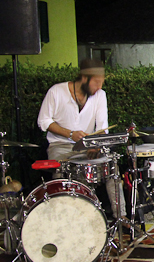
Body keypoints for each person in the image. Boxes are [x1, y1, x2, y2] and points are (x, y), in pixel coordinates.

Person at [37, 58, 126, 220]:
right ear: (84, 78)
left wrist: (96, 146)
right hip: (61, 145)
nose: (100, 87)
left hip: (87, 146)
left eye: (102, 82)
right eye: (96, 82)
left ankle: (121, 217)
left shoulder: (100, 95)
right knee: (60, 170)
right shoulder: (56, 91)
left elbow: (103, 127)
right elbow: (43, 121)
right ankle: (63, 217)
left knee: (112, 165)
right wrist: (70, 134)